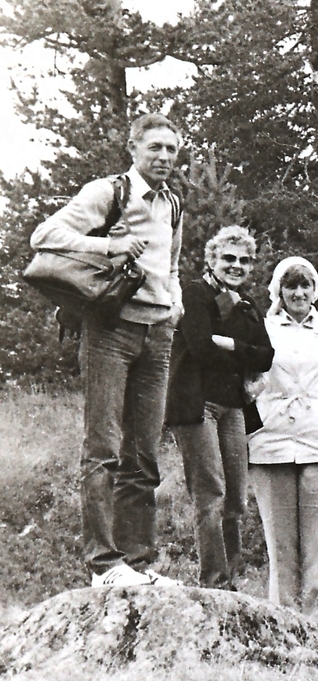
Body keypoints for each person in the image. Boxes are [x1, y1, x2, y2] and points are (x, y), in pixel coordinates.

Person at [31, 114, 184, 587]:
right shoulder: (111, 192)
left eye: (171, 150)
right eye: (154, 147)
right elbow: (43, 237)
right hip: (111, 331)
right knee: (103, 449)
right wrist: (107, 248)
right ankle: (104, 564)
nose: (163, 157)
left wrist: (175, 307)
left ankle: (138, 562)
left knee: (144, 454)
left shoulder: (174, 204)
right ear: (133, 146)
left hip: (157, 335)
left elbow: (172, 264)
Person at [166, 226, 274, 589]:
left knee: (236, 497)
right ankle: (214, 580)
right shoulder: (195, 294)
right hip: (198, 405)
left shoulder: (247, 304)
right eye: (228, 258)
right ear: (211, 260)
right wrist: (241, 353)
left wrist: (229, 344)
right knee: (210, 493)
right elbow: (200, 348)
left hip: (234, 408)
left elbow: (267, 355)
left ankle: (233, 577)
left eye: (244, 260)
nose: (236, 265)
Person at [247, 256, 318, 612]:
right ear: (278, 289)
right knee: (280, 543)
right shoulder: (260, 327)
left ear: (315, 290)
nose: (298, 292)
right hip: (271, 440)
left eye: (305, 285)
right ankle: (283, 623)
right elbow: (248, 382)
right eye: (290, 285)